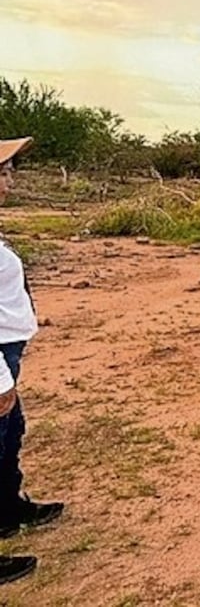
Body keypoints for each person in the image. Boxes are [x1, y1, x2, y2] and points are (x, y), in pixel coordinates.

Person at [0, 137, 64, 585]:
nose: (10, 179)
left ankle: (7, 509)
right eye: (2, 172)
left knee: (11, 434)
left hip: (8, 349)